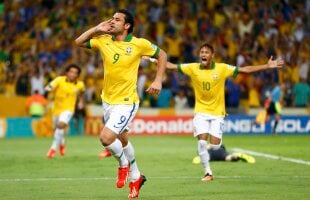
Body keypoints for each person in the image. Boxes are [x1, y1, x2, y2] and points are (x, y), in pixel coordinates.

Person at [147, 43, 284, 182]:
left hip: (217, 113)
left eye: (207, 52)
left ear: (212, 55)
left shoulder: (222, 68)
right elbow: (171, 66)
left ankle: (220, 152)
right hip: (200, 111)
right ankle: (208, 172)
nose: (203, 54)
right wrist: (157, 60)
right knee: (201, 143)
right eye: (202, 52)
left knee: (215, 145)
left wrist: (266, 66)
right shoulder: (192, 67)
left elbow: (245, 70)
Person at [75, 9, 167, 199]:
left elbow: (162, 55)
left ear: (127, 26)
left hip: (127, 102)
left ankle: (123, 165)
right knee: (123, 140)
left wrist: (158, 80)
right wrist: (96, 29)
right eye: (112, 18)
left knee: (106, 138)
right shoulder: (104, 39)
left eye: (117, 20)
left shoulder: (139, 44)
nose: (112, 21)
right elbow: (79, 42)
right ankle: (137, 177)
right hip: (107, 100)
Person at [45, 64, 85, 158]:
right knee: (58, 129)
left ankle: (53, 149)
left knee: (61, 125)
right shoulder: (59, 80)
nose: (73, 74)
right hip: (56, 109)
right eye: (71, 71)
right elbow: (50, 86)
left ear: (78, 75)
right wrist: (48, 88)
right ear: (67, 72)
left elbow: (82, 92)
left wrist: (81, 102)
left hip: (69, 109)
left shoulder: (80, 84)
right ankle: (62, 144)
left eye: (75, 73)